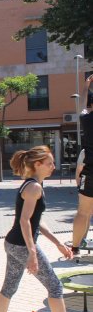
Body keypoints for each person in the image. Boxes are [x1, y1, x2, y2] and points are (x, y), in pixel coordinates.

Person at [0, 145, 91, 312]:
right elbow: (25, 221)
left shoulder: (32, 185)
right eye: (49, 163)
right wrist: (32, 253)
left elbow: (36, 221)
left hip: (13, 243)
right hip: (21, 245)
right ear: (37, 164)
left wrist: (58, 244)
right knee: (54, 286)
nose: (53, 166)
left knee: (9, 287)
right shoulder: (34, 187)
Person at [73, 74, 93, 250]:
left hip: (90, 171)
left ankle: (75, 247)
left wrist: (86, 86)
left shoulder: (86, 119)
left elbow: (82, 105)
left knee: (83, 212)